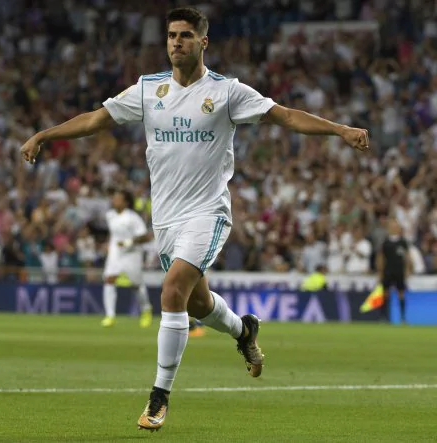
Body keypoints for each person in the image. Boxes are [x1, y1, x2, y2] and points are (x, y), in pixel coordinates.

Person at [20, 7, 369, 432]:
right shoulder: (149, 90)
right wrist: (44, 135)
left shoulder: (227, 92)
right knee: (198, 304)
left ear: (203, 42)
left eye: (185, 35)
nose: (175, 43)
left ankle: (158, 397)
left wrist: (339, 129)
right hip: (165, 218)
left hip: (207, 213)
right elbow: (96, 120)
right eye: (171, 35)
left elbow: (285, 115)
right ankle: (244, 330)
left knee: (171, 293)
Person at [101, 189, 154, 328]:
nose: (114, 200)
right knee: (109, 279)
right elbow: (113, 234)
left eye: (118, 198)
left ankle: (146, 310)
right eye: (114, 197)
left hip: (132, 254)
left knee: (136, 285)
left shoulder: (132, 217)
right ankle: (110, 316)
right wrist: (109, 244)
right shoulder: (110, 215)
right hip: (115, 253)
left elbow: (145, 236)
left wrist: (128, 243)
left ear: (125, 202)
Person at [377, 219, 411, 323]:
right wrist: (380, 272)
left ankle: (402, 317)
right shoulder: (386, 242)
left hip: (399, 271)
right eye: (392, 226)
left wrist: (407, 269)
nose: (394, 228)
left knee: (401, 293)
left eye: (395, 226)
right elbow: (381, 258)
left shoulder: (403, 242)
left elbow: (407, 257)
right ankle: (383, 317)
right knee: (385, 293)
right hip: (388, 270)